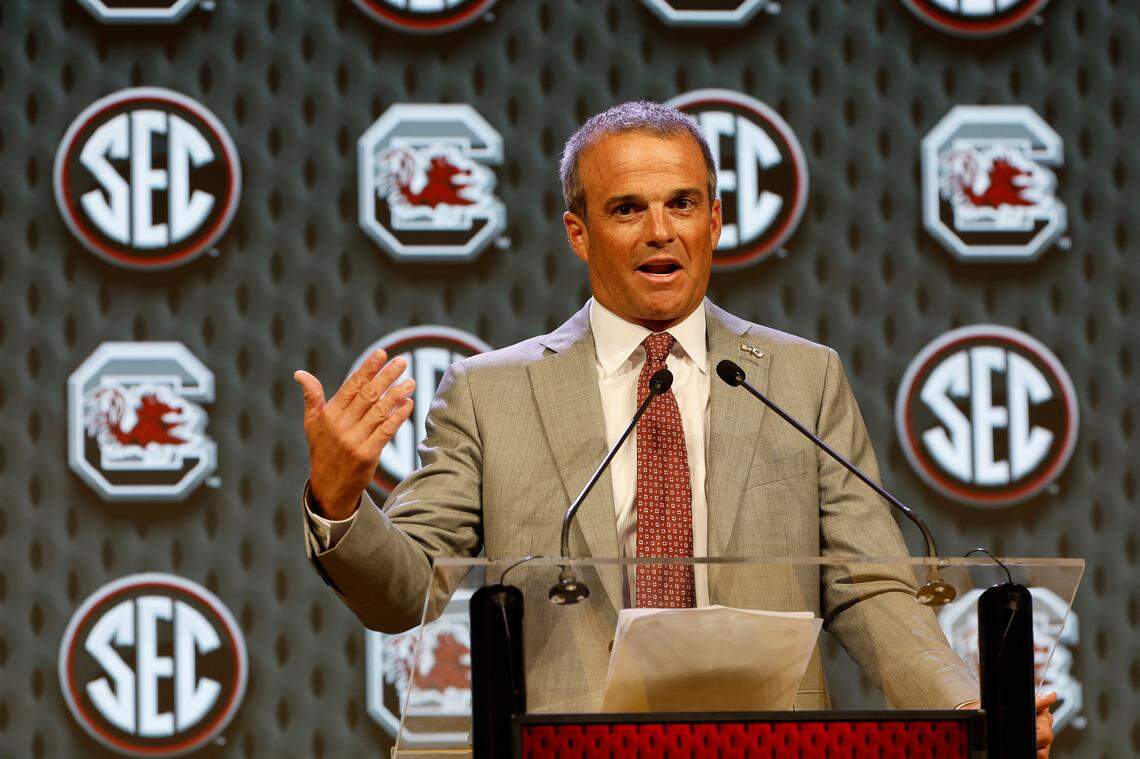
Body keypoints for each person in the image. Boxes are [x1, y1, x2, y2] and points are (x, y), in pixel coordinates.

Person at [295, 101, 1054, 755]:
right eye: (627, 208)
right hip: (567, 749)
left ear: (715, 220)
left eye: (682, 204)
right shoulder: (490, 393)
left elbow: (869, 589)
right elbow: (406, 593)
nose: (661, 230)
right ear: (578, 232)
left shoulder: (803, 376)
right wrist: (339, 502)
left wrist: (967, 709)